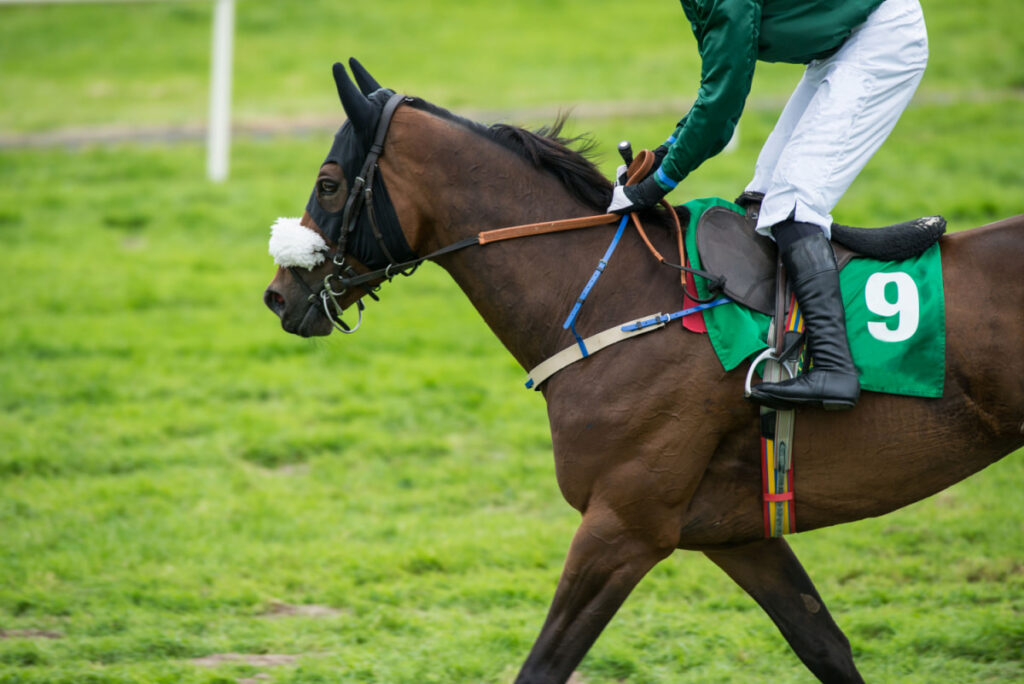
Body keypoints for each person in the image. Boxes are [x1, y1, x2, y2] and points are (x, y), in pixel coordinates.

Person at [607, 0, 928, 411]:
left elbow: (720, 109)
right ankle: (781, 340)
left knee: (793, 203)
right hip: (838, 45)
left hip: (879, 38)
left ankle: (834, 368)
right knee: (763, 200)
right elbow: (720, 83)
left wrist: (657, 185)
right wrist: (665, 154)